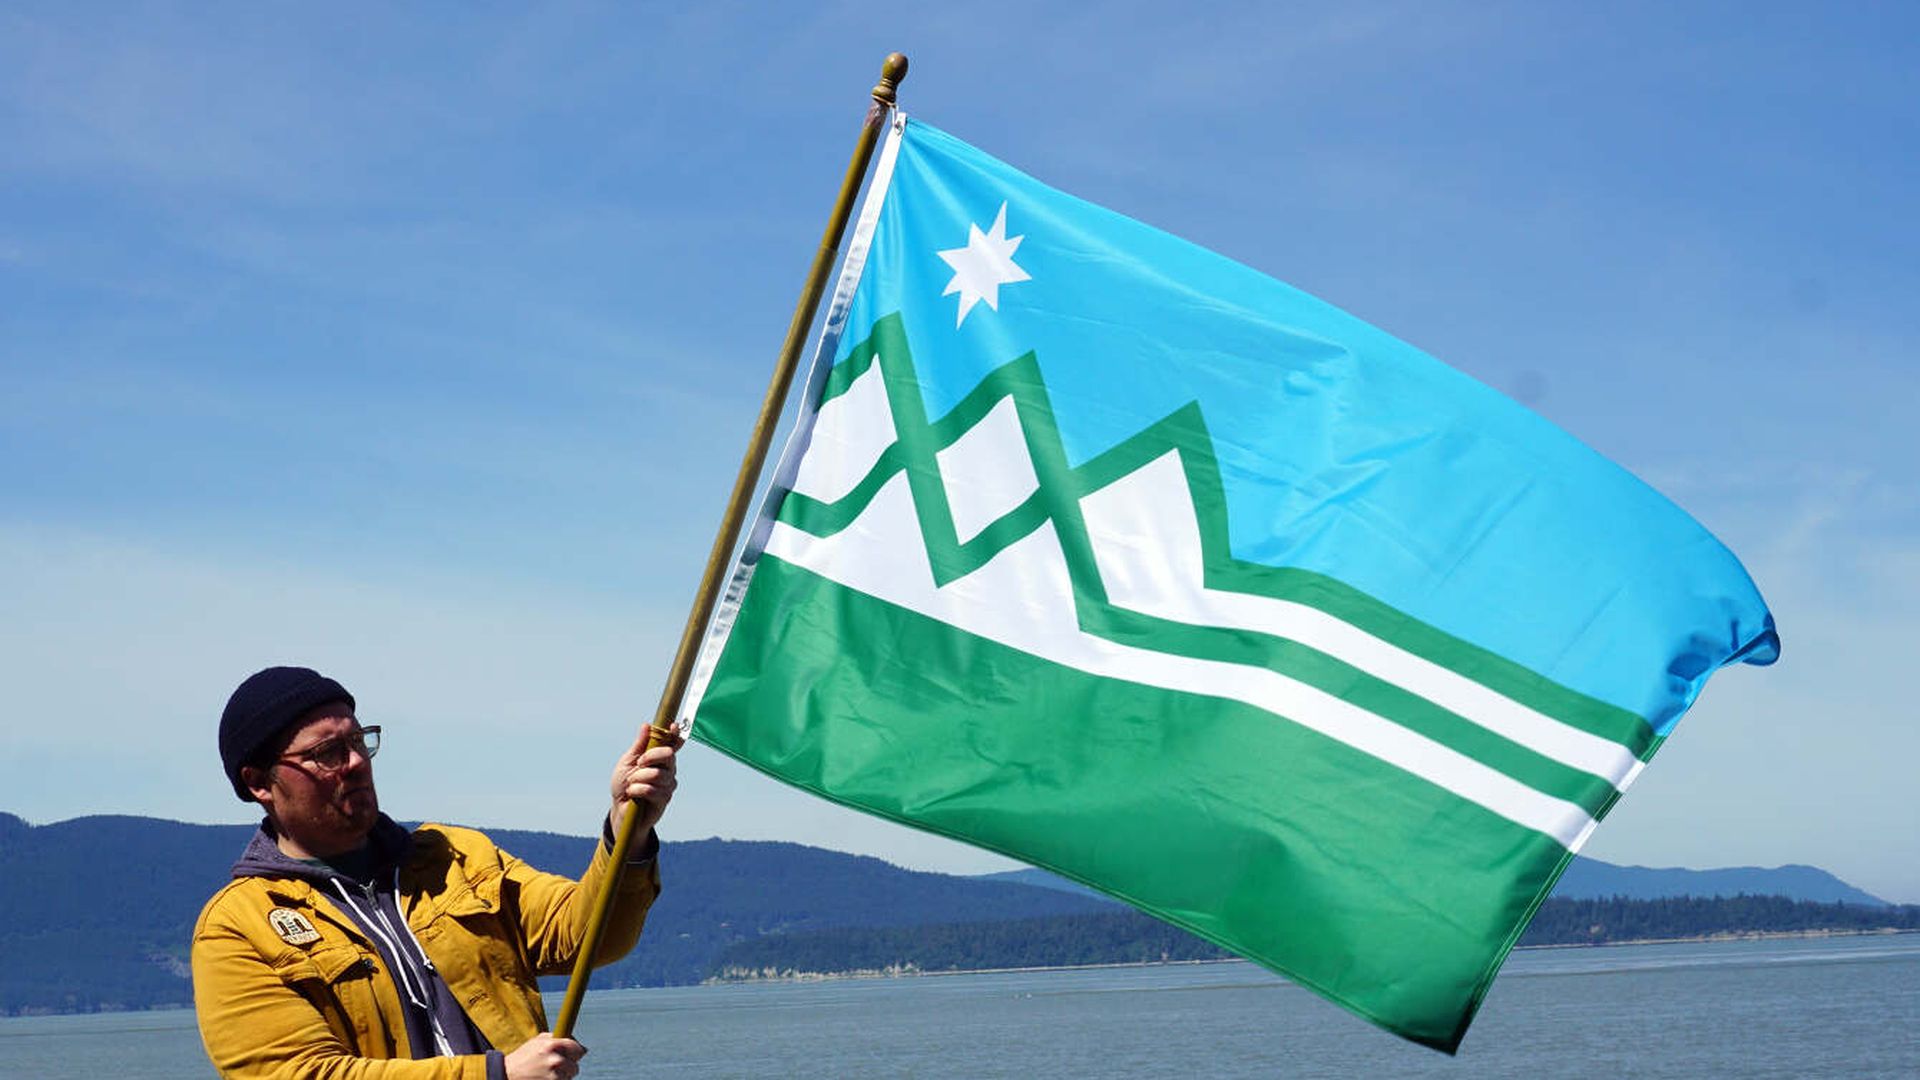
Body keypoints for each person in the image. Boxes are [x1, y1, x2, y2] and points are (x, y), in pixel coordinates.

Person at [191, 666, 678, 1080]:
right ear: (259, 783)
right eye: (328, 753)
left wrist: (626, 830)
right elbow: (302, 1074)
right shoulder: (238, 928)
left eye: (358, 741)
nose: (356, 762)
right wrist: (496, 1074)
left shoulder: (455, 856)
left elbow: (590, 936)